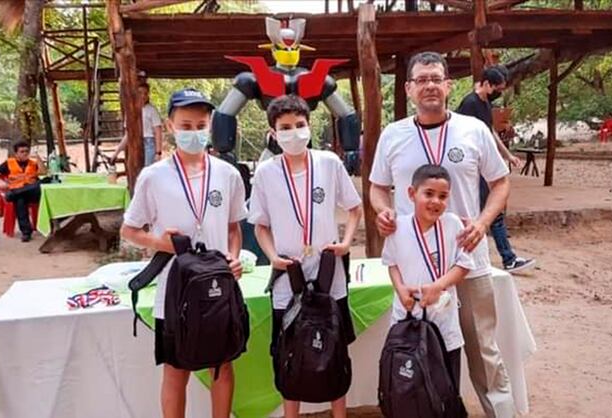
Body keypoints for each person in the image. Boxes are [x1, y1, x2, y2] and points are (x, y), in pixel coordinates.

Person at [369, 51, 515, 418]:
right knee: (419, 348)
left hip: (468, 261)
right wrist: (382, 211)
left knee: (483, 350)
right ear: (409, 88)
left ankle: (501, 412)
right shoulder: (393, 135)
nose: (430, 85)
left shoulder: (474, 130)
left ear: (449, 85)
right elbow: (376, 187)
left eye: (436, 78)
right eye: (422, 79)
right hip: (416, 269)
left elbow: (500, 183)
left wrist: (482, 224)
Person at [120, 88, 247, 418]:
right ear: (170, 125)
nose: (194, 133)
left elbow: (234, 227)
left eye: (201, 125)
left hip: (219, 289)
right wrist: (161, 243)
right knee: (177, 371)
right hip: (175, 290)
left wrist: (233, 256)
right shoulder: (153, 176)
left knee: (222, 366)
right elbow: (129, 231)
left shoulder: (228, 174)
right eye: (186, 125)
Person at [248, 94, 362, 418]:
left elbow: (354, 209)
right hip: (289, 275)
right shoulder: (266, 172)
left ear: (309, 126)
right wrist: (272, 256)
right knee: (289, 350)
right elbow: (259, 226)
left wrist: (346, 243)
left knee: (335, 348)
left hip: (329, 274)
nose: (294, 132)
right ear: (273, 132)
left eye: (300, 125)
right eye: (285, 127)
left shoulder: (329, 163)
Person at [382, 164, 474, 417]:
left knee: (445, 387)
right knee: (408, 387)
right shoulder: (397, 227)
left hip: (443, 323)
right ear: (412, 194)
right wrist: (400, 289)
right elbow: (391, 263)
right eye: (428, 193)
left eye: (443, 196)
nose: (436, 201)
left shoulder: (454, 224)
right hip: (406, 321)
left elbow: (464, 264)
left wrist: (438, 286)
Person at [457, 66, 536, 273]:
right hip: (472, 168)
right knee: (485, 213)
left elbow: (489, 133)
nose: (498, 93)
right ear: (485, 84)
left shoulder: (484, 104)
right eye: (497, 88)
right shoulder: (470, 104)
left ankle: (506, 257)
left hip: (483, 166)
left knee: (493, 212)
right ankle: (505, 258)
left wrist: (506, 155)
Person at [0, 141, 46, 242]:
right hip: (19, 192)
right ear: (16, 153)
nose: (25, 153)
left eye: (27, 151)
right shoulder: (9, 163)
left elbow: (43, 172)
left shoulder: (33, 163)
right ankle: (26, 232)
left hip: (33, 192)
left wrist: (38, 158)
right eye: (22, 151)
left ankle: (14, 194)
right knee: (20, 200)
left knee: (43, 183)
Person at [111, 83, 164, 166]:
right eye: (140, 93)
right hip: (135, 143)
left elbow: (158, 131)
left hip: (149, 143)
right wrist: (116, 153)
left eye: (145, 93)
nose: (143, 96)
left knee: (147, 170)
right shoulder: (130, 112)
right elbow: (128, 135)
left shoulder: (151, 110)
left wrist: (158, 152)